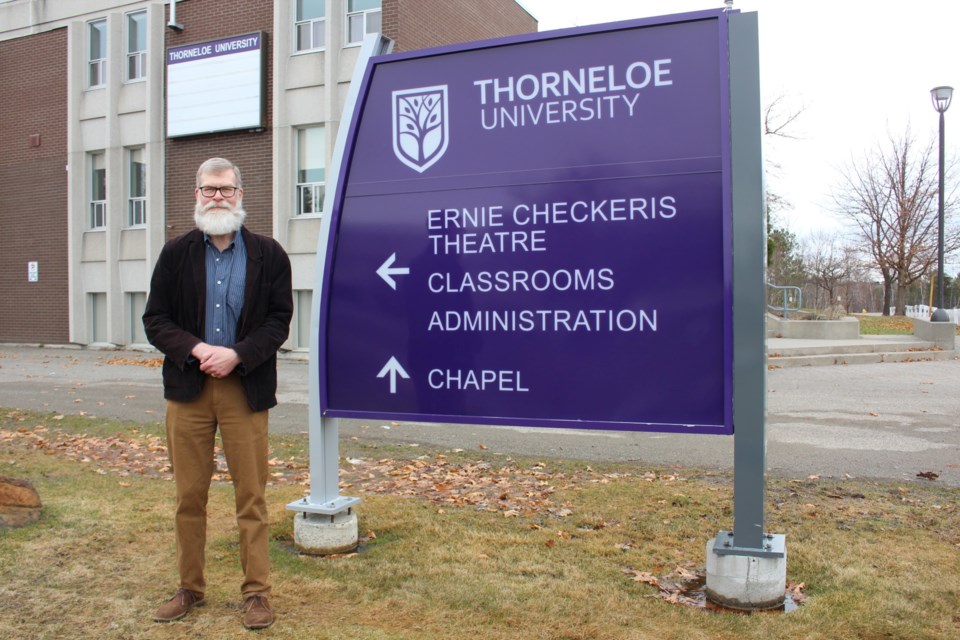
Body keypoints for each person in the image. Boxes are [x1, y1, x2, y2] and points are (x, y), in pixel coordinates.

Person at [143, 157, 292, 630]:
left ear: (240, 194)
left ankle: (257, 595)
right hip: (188, 391)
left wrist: (237, 354)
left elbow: (279, 321)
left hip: (243, 390)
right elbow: (156, 320)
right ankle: (190, 587)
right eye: (209, 190)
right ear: (196, 195)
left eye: (226, 189)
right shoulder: (176, 253)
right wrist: (199, 348)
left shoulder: (269, 254)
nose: (217, 197)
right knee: (190, 495)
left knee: (251, 496)